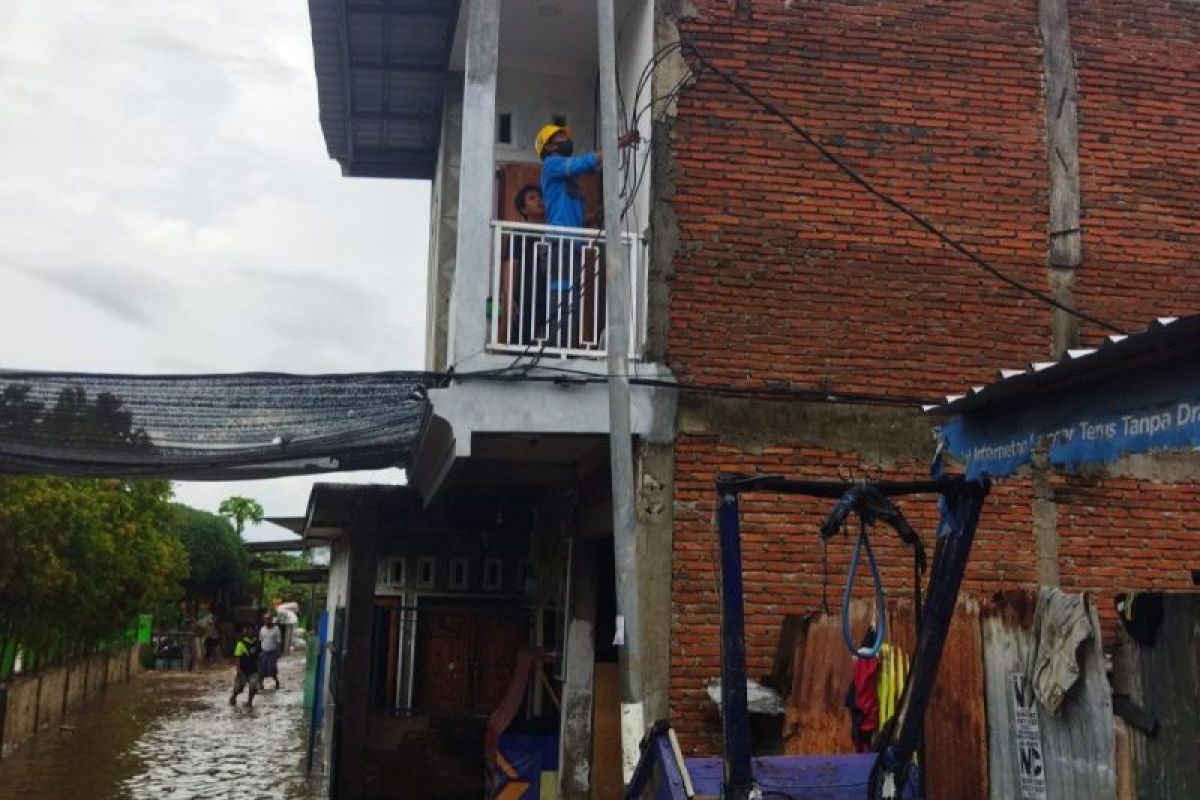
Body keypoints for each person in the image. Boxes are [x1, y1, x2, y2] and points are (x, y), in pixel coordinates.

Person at [534, 124, 639, 229]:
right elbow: (584, 163)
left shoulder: (569, 178)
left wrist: (592, 218)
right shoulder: (550, 163)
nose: (567, 140)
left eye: (566, 137)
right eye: (561, 137)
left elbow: (572, 217)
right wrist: (619, 144)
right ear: (549, 147)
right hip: (560, 236)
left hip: (572, 238)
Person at [229, 625, 261, 708]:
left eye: (253, 630)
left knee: (253, 687)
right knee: (239, 688)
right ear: (246, 632)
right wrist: (238, 670)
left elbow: (260, 655)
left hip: (254, 669)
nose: (251, 632)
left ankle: (249, 702)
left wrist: (260, 667)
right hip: (243, 670)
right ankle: (233, 697)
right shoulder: (241, 643)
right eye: (249, 630)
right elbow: (237, 657)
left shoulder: (257, 642)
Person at [258, 613, 282, 689]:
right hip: (264, 652)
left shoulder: (276, 629)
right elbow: (260, 641)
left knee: (272, 669)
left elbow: (279, 642)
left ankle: (276, 681)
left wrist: (278, 653)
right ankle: (260, 684)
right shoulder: (262, 629)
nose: (267, 621)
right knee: (261, 670)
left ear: (271, 620)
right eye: (265, 619)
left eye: (268, 619)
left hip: (272, 653)